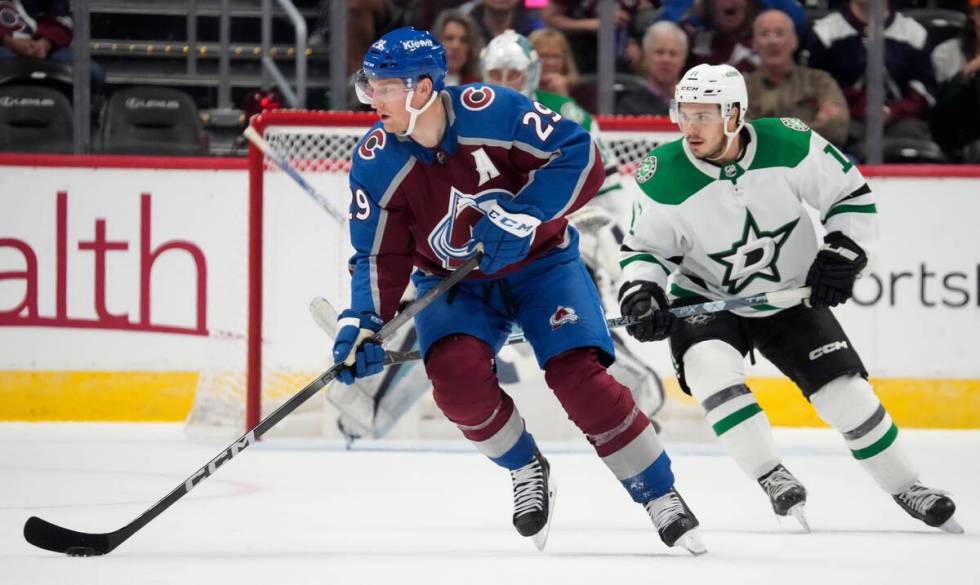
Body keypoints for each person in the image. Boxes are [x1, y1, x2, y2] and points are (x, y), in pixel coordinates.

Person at [336, 26, 704, 554]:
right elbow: (378, 254)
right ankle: (526, 467)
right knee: (455, 382)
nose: (372, 98)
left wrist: (524, 216)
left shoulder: (495, 110)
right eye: (368, 85)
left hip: (542, 266)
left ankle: (659, 493)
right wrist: (363, 322)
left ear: (421, 88)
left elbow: (581, 156)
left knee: (580, 378)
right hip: (451, 284)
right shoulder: (375, 161)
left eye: (384, 86)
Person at [618, 63, 963, 535]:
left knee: (848, 396)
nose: (689, 127)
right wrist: (642, 291)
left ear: (735, 114)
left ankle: (908, 485)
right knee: (712, 374)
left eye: (704, 115)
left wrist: (844, 250)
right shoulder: (660, 176)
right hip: (706, 296)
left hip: (789, 296)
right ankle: (770, 473)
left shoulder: (789, 142)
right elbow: (643, 250)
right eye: (684, 113)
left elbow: (850, 196)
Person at [803, 0, 938, 158]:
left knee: (914, 141)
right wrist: (858, 107)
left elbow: (926, 92)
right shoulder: (825, 31)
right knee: (828, 140)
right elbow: (815, 88)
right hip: (847, 120)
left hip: (902, 123)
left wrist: (892, 112)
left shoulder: (914, 33)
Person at [745, 10, 850, 147]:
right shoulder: (742, 87)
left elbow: (837, 128)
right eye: (765, 34)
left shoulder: (819, 81)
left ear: (794, 41)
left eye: (780, 34)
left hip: (814, 159)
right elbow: (740, 135)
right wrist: (810, 127)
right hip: (761, 164)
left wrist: (770, 134)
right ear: (754, 44)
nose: (773, 41)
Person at [0, 0, 105, 89]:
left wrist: (46, 43)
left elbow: (62, 20)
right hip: (4, 46)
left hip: (46, 46)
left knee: (93, 73)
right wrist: (9, 41)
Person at [930, 0, 980, 159]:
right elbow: (939, 110)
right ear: (973, 15)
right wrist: (966, 72)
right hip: (958, 134)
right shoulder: (945, 53)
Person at [615, 21, 688, 116]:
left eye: (673, 54)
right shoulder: (629, 108)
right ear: (646, 58)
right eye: (659, 52)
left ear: (683, 61)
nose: (666, 60)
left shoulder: (698, 106)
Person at [433, 9, 484, 86]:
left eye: (463, 41)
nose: (456, 46)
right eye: (449, 38)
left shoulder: (478, 88)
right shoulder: (417, 84)